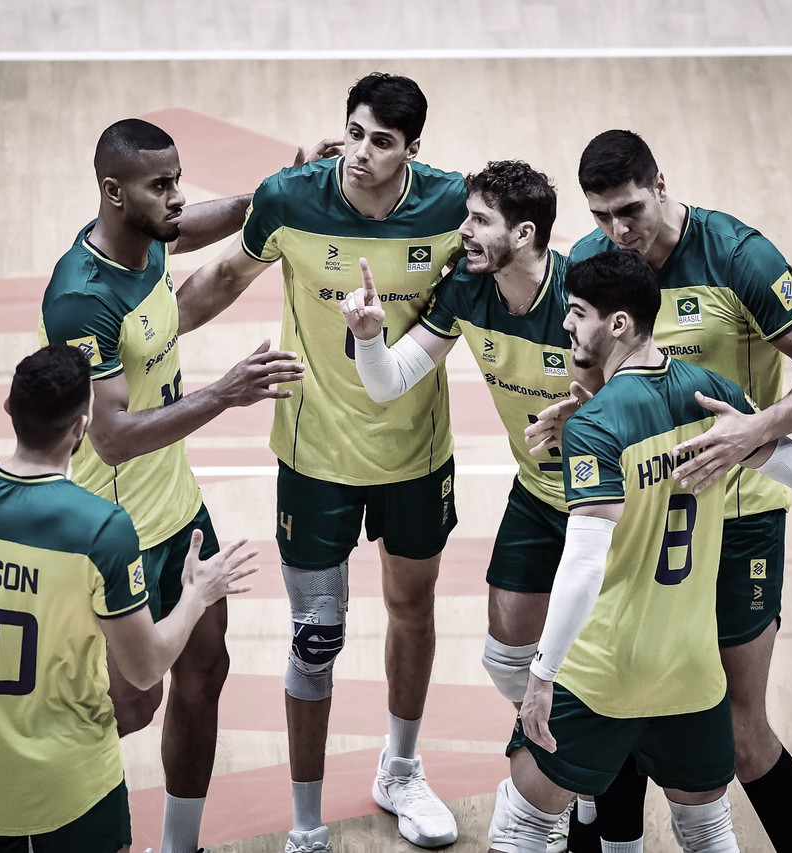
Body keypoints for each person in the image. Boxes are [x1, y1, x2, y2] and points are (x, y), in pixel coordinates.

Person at [486, 251, 792, 853]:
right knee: (708, 835)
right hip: (692, 672)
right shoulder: (710, 394)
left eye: (577, 314)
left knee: (523, 823)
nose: (566, 327)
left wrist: (542, 673)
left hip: (605, 669)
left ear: (619, 325)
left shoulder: (595, 425)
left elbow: (582, 562)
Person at [180, 73, 468, 853]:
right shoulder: (291, 199)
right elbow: (221, 277)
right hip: (315, 453)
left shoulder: (452, 208)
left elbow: (508, 273)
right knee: (315, 636)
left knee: (414, 609)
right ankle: (306, 823)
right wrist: (145, 334)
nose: (360, 153)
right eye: (354, 132)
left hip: (415, 451)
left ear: (413, 149)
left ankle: (400, 770)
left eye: (382, 141)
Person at [553, 129, 792, 852]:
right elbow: (595, 370)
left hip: (742, 514)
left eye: (628, 210)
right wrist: (583, 403)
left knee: (741, 733)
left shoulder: (738, 256)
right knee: (618, 706)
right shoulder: (597, 262)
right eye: (600, 216)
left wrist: (753, 429)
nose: (616, 232)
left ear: (661, 181)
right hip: (647, 513)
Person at [40, 118, 309, 853]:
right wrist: (224, 394)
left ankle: (178, 845)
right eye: (161, 185)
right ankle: (39, 816)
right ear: (112, 192)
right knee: (130, 706)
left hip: (179, 509)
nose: (177, 197)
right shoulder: (80, 297)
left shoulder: (146, 235)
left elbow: (201, 221)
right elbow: (112, 436)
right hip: (113, 527)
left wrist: (279, 190)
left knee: (205, 669)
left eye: (177, 179)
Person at [0, 344, 259, 853]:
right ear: (81, 428)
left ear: (10, 409)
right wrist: (195, 595)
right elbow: (144, 671)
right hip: (71, 784)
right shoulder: (100, 529)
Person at [340, 159, 602, 710]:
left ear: (524, 234)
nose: (464, 231)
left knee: (602, 663)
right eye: (467, 217)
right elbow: (390, 383)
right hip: (537, 494)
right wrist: (369, 339)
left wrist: (596, 413)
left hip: (608, 503)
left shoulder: (584, 296)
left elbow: (653, 395)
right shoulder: (468, 287)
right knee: (506, 662)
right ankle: (570, 766)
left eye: (481, 221)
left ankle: (584, 781)